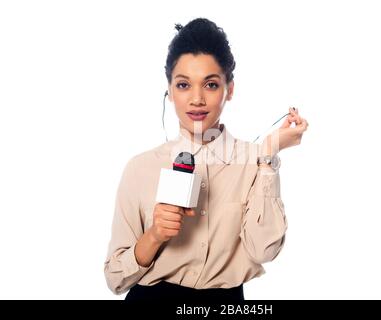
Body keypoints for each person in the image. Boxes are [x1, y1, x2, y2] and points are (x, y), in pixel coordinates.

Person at [104, 17, 309, 302]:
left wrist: (268, 154)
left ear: (230, 89)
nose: (197, 99)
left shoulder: (255, 160)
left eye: (211, 85)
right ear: (170, 90)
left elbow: (264, 251)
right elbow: (115, 279)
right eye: (184, 85)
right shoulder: (141, 168)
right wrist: (155, 235)